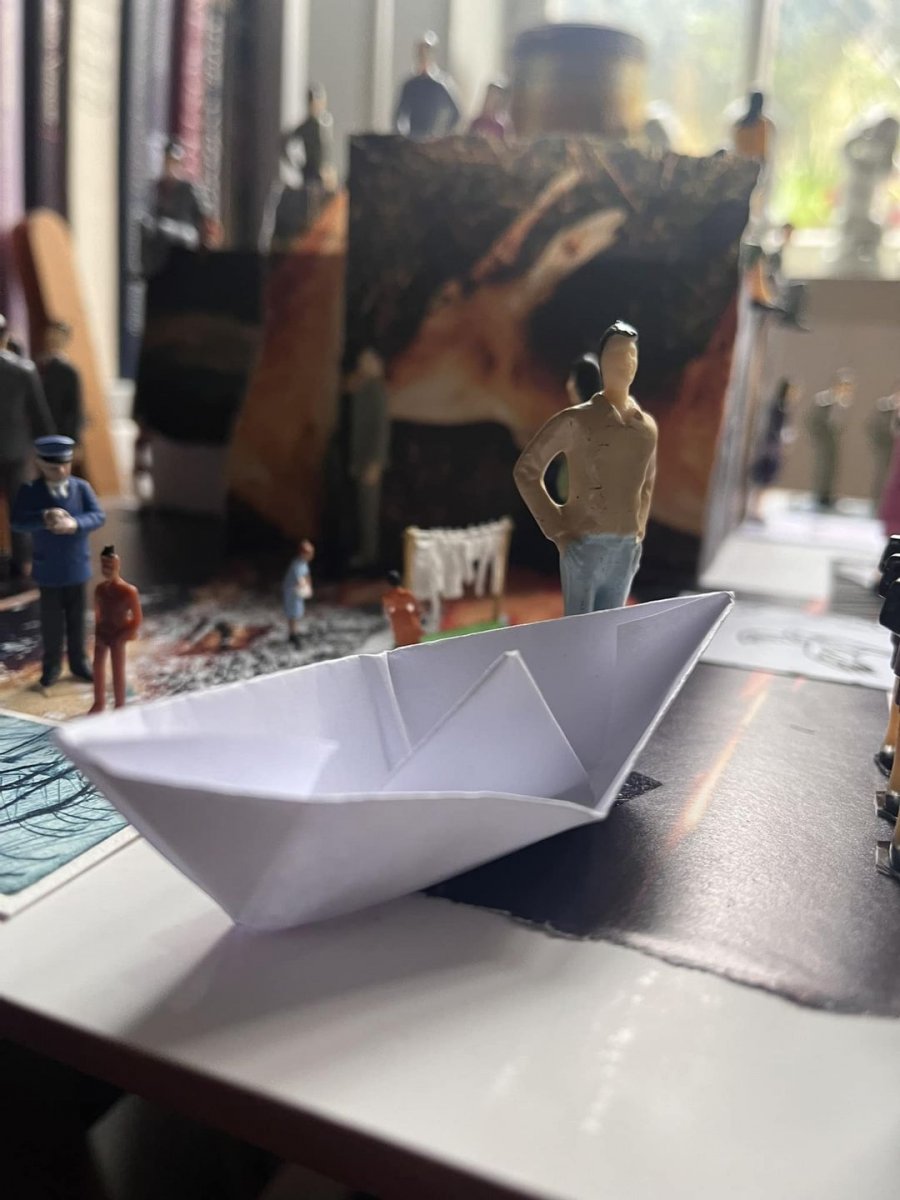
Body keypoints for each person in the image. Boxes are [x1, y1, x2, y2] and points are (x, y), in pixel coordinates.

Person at [514, 321, 657, 614]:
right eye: (616, 356)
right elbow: (527, 470)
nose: (625, 363)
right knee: (579, 628)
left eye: (631, 355)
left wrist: (638, 531)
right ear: (602, 363)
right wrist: (558, 531)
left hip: (626, 547)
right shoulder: (576, 421)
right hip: (584, 543)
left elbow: (647, 483)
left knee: (610, 626)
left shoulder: (645, 428)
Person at [11, 435, 106, 687]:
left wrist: (75, 524)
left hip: (77, 566)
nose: (61, 471)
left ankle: (79, 661)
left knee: (77, 620)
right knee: (51, 622)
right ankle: (52, 665)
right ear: (41, 465)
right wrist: (44, 517)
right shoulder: (31, 491)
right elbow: (17, 522)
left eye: (65, 465)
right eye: (54, 467)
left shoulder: (81, 488)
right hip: (48, 569)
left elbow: (98, 516)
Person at [0, 314, 56, 580]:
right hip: (17, 450)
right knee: (20, 507)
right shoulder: (24, 370)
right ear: (6, 337)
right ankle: (23, 562)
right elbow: (39, 414)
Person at [141, 139, 213, 275]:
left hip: (186, 233)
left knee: (162, 228)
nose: (170, 166)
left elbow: (205, 218)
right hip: (161, 236)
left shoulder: (189, 188)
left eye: (174, 162)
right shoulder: (157, 187)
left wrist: (204, 246)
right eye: (168, 161)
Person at [88, 545, 142, 714]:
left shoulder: (129, 591)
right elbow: (97, 614)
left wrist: (125, 635)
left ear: (117, 566)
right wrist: (97, 633)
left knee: (117, 669)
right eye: (104, 566)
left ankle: (120, 704)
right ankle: (99, 702)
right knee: (97, 666)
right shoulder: (99, 589)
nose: (107, 569)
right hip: (102, 633)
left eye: (110, 566)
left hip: (118, 634)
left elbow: (137, 619)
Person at [747, 379, 797, 521]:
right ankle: (755, 509)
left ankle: (757, 508)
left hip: (774, 448)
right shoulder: (778, 408)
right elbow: (774, 428)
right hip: (770, 448)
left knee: (766, 480)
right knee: (763, 479)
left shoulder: (783, 407)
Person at [394, 31, 460, 140]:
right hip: (413, 139)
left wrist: (441, 133)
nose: (424, 56)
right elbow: (399, 114)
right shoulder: (410, 85)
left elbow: (456, 113)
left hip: (433, 140)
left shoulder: (441, 84)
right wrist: (403, 134)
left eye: (427, 52)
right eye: (421, 53)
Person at [807, 370, 853, 509]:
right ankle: (819, 495)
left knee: (832, 468)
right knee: (823, 467)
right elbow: (812, 420)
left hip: (834, 441)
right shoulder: (824, 400)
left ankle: (828, 495)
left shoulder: (842, 402)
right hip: (824, 440)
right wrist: (820, 436)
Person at [37, 320, 84, 445]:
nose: (53, 340)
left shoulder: (69, 371)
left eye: (58, 338)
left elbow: (75, 409)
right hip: (38, 433)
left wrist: (73, 440)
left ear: (66, 341)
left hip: (60, 435)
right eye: (51, 336)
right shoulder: (37, 365)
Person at [282, 539, 314, 647]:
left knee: (296, 612)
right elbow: (299, 578)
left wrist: (308, 584)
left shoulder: (303, 563)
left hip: (297, 591)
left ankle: (294, 632)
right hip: (292, 591)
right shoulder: (296, 564)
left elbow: (306, 575)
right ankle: (293, 634)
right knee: (293, 613)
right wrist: (305, 586)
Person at [383, 569, 423, 647]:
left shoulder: (387, 598)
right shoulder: (408, 594)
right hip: (412, 629)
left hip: (399, 632)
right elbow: (418, 609)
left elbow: (387, 614)